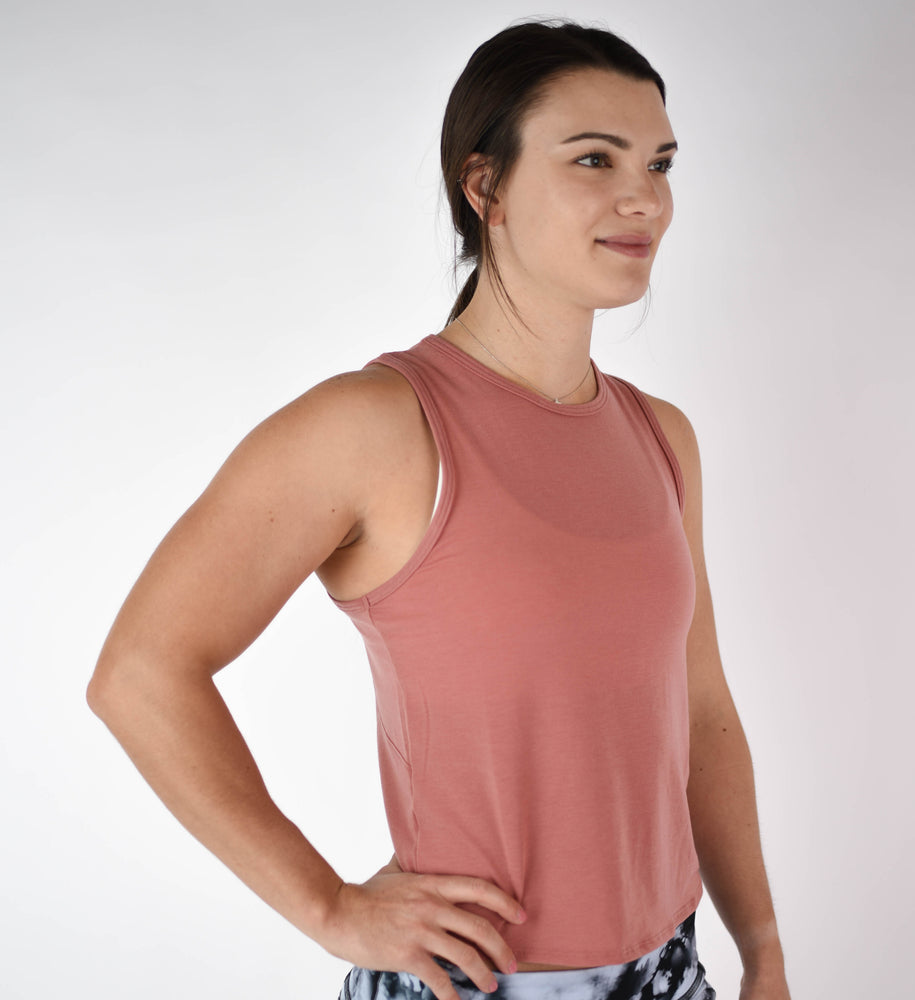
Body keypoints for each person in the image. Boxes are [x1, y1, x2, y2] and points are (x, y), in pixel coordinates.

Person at [87, 17, 791, 1000]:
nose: (645, 197)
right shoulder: (375, 427)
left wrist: (762, 950)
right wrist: (329, 906)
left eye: (660, 163)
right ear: (485, 186)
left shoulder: (661, 436)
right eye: (595, 158)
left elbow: (702, 708)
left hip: (668, 972)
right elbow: (139, 672)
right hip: (473, 982)